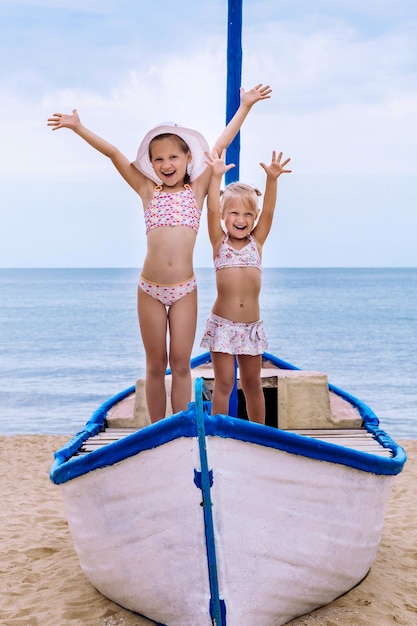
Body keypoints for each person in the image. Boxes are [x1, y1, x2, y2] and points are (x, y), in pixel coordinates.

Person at [47, 84, 271, 422]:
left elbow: (221, 144)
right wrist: (78, 127)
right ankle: (156, 429)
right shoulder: (146, 190)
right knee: (155, 364)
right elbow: (114, 154)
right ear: (151, 164)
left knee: (181, 364)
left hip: (185, 290)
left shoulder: (196, 192)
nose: (167, 164)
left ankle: (180, 427)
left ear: (188, 159)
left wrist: (246, 107)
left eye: (173, 157)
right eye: (159, 159)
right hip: (149, 289)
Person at [200, 148, 291, 424]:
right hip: (223, 326)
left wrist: (272, 179)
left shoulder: (257, 243)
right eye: (235, 213)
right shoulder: (219, 243)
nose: (241, 219)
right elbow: (212, 206)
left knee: (252, 384)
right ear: (224, 217)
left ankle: (258, 435)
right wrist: (215, 176)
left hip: (251, 327)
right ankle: (217, 432)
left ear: (255, 216)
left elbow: (271, 210)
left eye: (248, 214)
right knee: (224, 383)